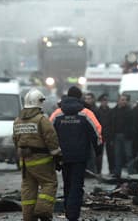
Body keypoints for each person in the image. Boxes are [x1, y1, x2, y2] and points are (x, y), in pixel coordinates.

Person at [52, 86, 102, 221]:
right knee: (77, 184)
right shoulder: (86, 113)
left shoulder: (57, 113)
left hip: (62, 155)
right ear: (80, 97)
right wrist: (98, 151)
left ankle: (69, 210)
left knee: (67, 183)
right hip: (80, 155)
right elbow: (97, 133)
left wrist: (53, 155)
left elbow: (49, 134)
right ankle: (73, 214)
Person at [13, 89, 61, 221]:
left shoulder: (18, 120)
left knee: (28, 189)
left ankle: (28, 217)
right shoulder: (41, 120)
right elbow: (51, 138)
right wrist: (57, 155)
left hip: (25, 161)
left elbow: (15, 140)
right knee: (49, 183)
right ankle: (42, 211)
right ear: (38, 102)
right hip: (41, 160)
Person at [110, 94, 135, 178]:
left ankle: (131, 173)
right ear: (118, 100)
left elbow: (133, 124)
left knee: (129, 155)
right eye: (122, 99)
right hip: (116, 135)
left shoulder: (130, 111)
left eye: (125, 100)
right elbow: (111, 124)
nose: (123, 101)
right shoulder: (114, 111)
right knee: (117, 155)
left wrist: (129, 133)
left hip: (127, 136)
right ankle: (117, 173)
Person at [84, 92, 101, 174]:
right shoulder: (83, 110)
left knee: (94, 155)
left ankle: (93, 171)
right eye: (86, 99)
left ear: (93, 99)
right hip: (85, 136)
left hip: (93, 136)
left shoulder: (96, 110)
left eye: (89, 99)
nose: (87, 100)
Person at [97, 94, 114, 174]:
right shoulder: (97, 111)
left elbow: (113, 124)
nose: (104, 102)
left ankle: (111, 171)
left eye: (106, 100)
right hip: (100, 135)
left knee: (110, 154)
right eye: (103, 101)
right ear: (101, 102)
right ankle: (98, 171)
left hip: (109, 135)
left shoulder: (111, 111)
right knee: (99, 155)